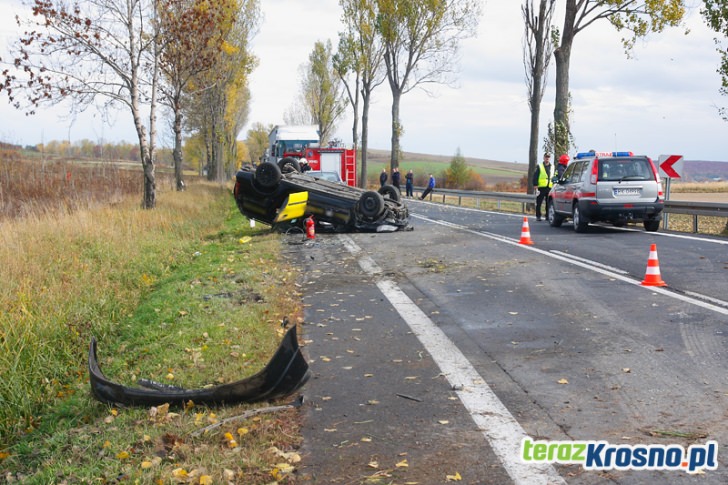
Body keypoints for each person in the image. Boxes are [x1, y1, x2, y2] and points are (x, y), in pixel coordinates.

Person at [532, 153, 554, 221]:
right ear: (544, 158)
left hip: (549, 187)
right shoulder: (540, 166)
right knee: (539, 202)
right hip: (541, 187)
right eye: (546, 157)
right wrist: (535, 185)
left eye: (548, 157)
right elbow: (535, 176)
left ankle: (547, 215)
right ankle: (538, 216)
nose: (547, 158)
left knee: (548, 202)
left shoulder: (552, 166)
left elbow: (554, 175)